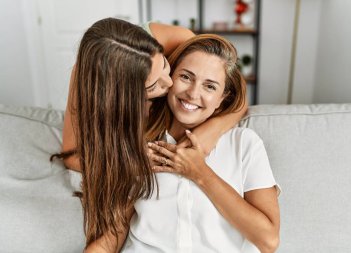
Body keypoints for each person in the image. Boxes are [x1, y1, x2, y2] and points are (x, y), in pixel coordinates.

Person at [53, 18, 248, 252]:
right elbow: (72, 156)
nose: (170, 83)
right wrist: (131, 158)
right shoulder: (89, 84)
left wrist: (208, 134)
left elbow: (236, 93)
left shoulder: (175, 38)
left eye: (167, 66)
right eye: (154, 85)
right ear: (124, 97)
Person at [122, 34, 281, 253]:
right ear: (170, 77)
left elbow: (268, 240)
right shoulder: (140, 141)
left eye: (210, 86)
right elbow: (113, 231)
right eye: (186, 77)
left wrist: (200, 173)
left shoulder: (244, 145)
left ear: (222, 99)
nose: (193, 93)